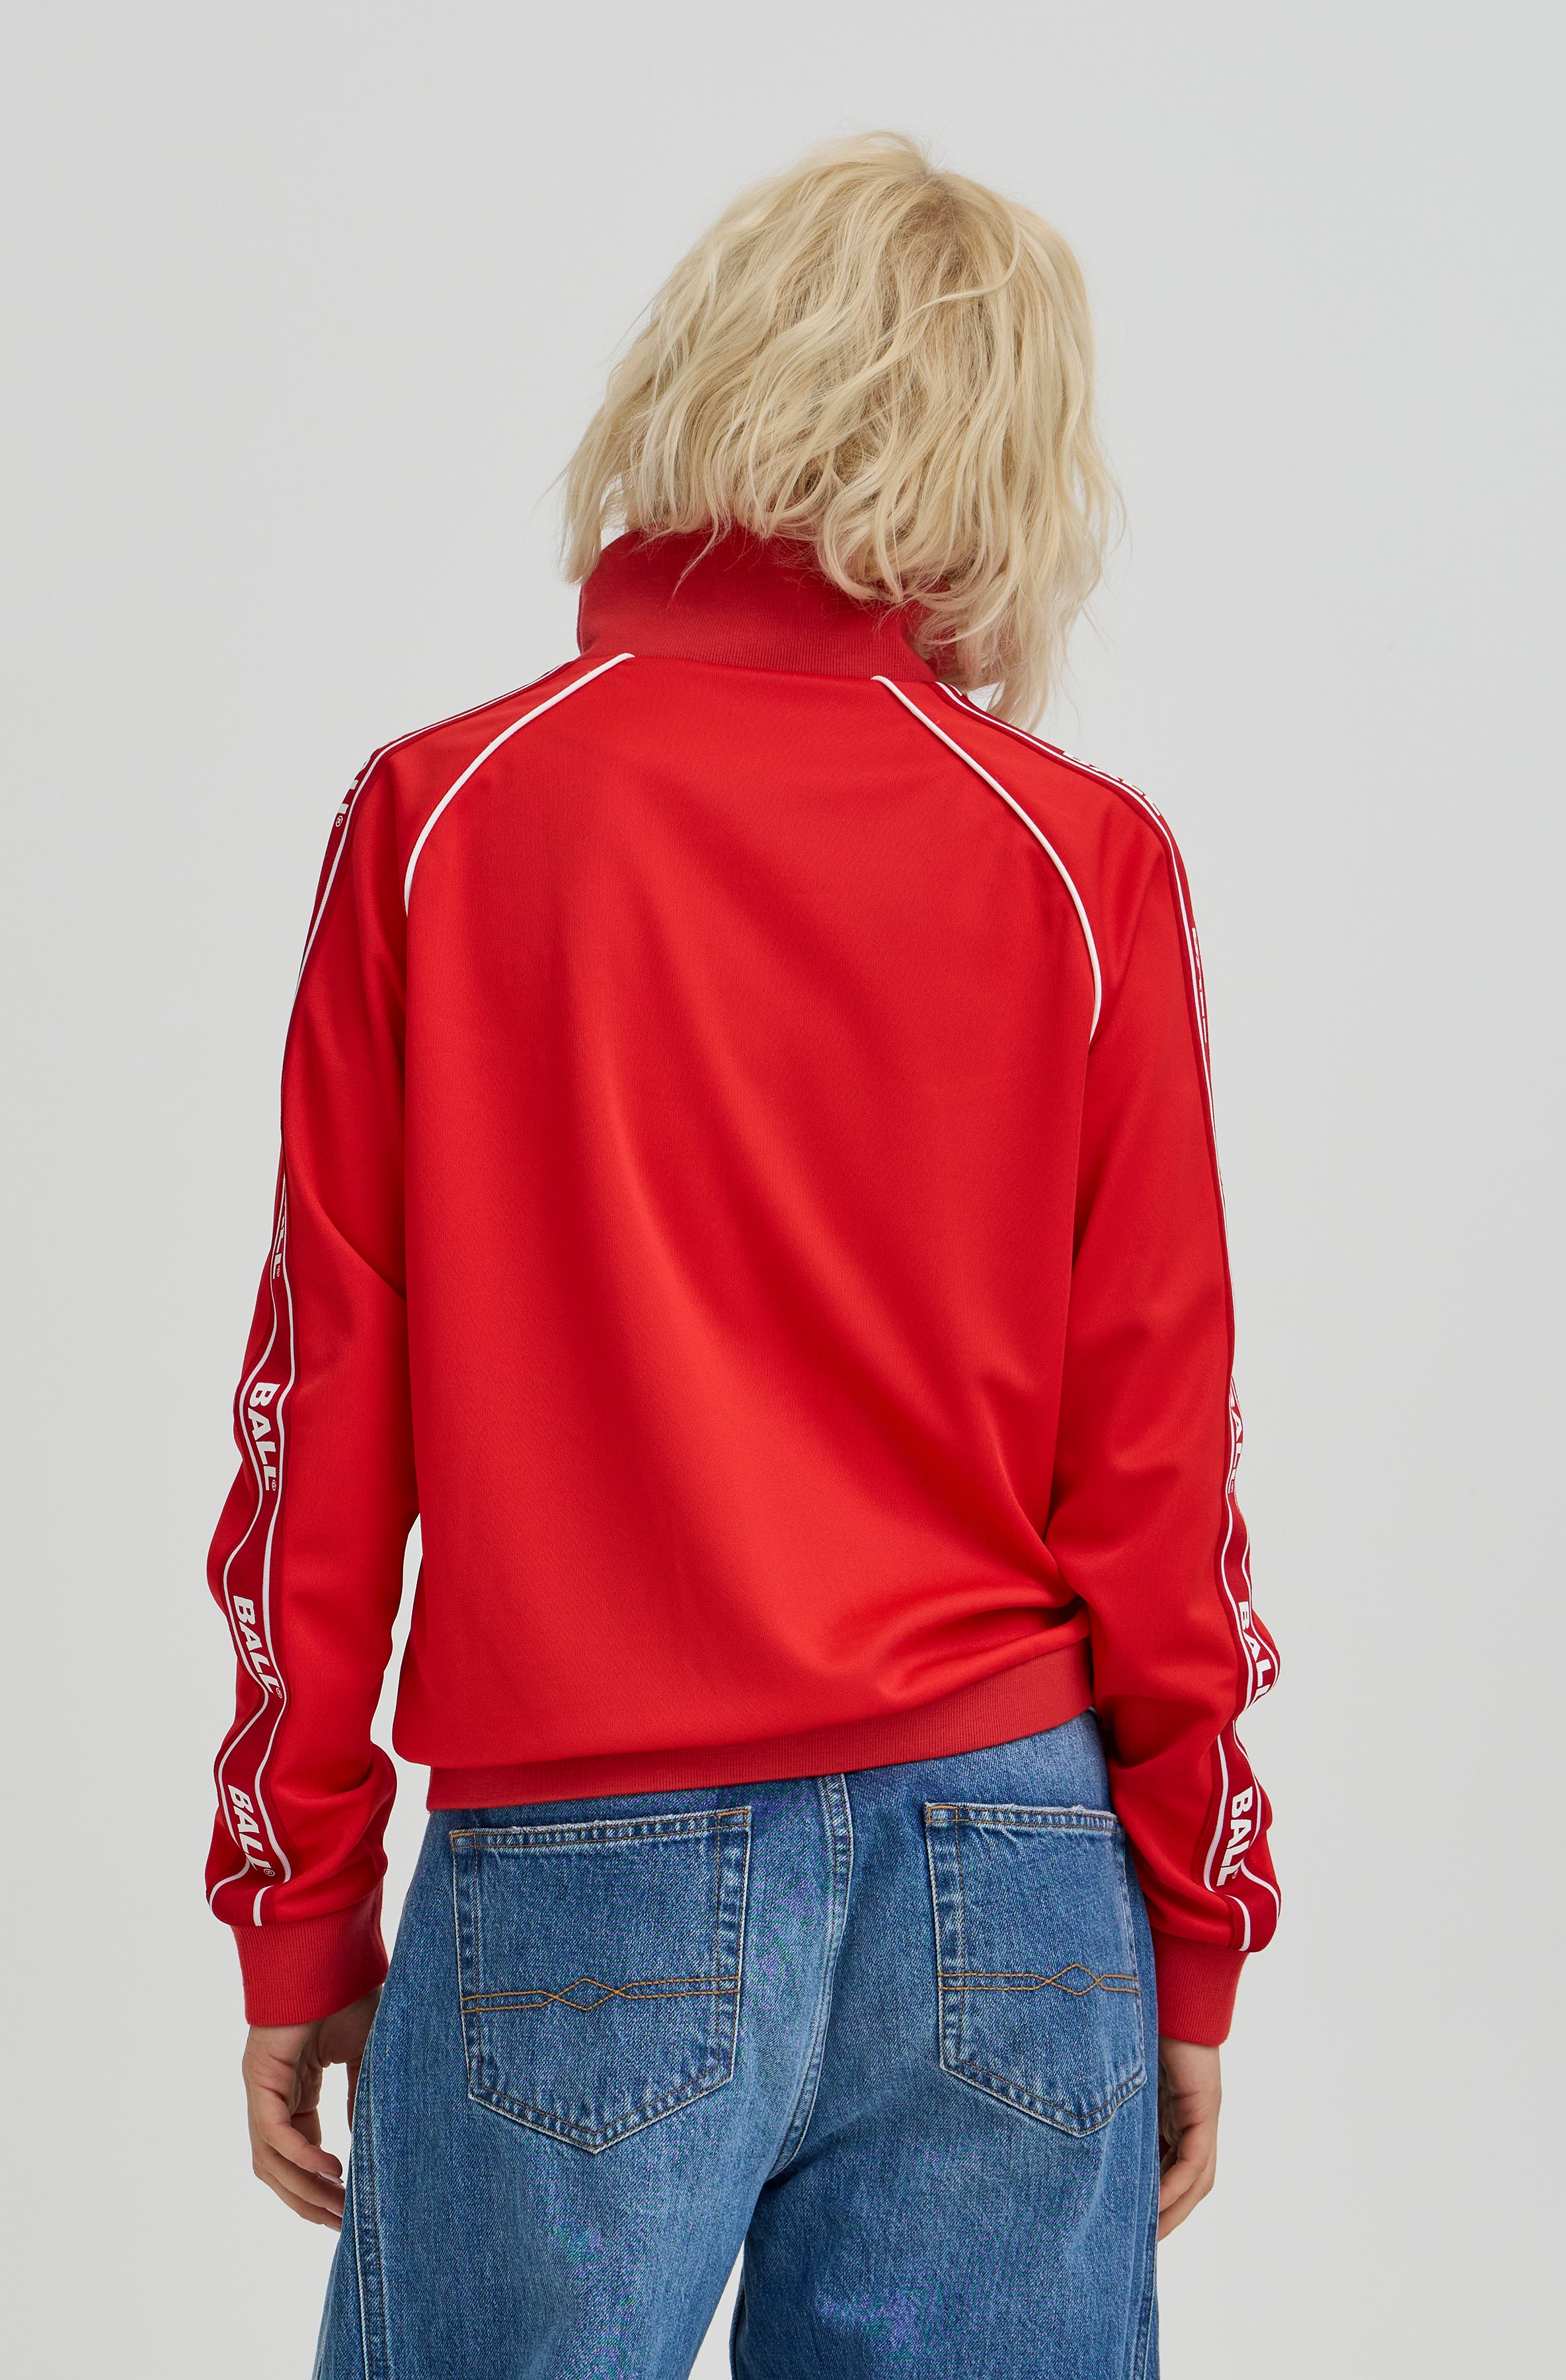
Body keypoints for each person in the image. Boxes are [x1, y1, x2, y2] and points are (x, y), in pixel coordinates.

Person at [210, 132, 1279, 2379]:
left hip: (584, 1875)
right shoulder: (1080, 864)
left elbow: (324, 1416)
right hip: (1011, 1880)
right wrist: (1193, 1918)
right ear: (1009, 463)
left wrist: (297, 1901)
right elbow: (1160, 1457)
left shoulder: (447, 819)